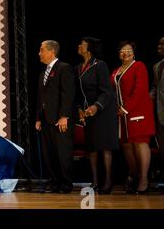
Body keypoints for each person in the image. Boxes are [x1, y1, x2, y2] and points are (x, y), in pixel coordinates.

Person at [75, 37, 118, 194]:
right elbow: (78, 93)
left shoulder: (100, 65)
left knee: (105, 147)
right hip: (88, 113)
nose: (79, 45)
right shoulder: (78, 67)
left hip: (103, 111)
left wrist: (96, 106)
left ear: (90, 47)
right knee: (91, 147)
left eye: (82, 43)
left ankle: (108, 181)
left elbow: (107, 91)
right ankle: (95, 181)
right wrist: (80, 109)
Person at [111, 41, 155, 194]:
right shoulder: (116, 71)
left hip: (138, 111)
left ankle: (144, 179)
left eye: (129, 50)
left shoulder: (139, 66)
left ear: (134, 53)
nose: (126, 52)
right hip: (121, 115)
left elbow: (140, 90)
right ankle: (134, 174)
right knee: (127, 144)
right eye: (122, 50)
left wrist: (125, 108)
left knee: (139, 143)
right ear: (119, 54)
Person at [35, 40, 75, 193]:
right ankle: (55, 182)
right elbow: (40, 98)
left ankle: (66, 184)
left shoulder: (64, 68)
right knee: (49, 154)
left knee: (62, 153)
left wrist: (64, 116)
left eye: (42, 50)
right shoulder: (42, 74)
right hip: (46, 120)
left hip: (60, 120)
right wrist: (38, 118)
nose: (39, 53)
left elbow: (68, 94)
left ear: (51, 52)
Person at [150, 36, 164, 193]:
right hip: (160, 114)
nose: (159, 46)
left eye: (163, 44)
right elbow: (155, 88)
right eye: (159, 43)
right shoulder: (157, 66)